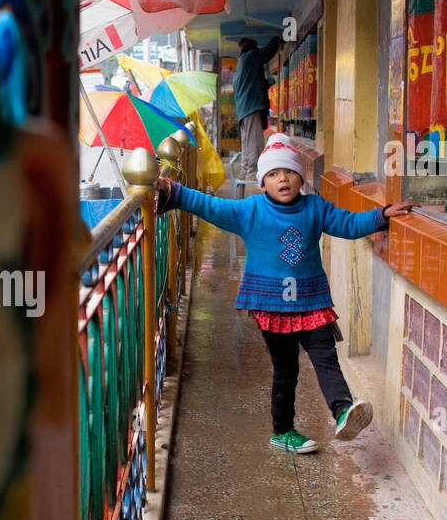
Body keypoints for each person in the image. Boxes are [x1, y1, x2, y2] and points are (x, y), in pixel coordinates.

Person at [158, 133, 417, 453]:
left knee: (326, 358)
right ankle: (282, 431)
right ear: (262, 183)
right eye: (273, 174)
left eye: (290, 172)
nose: (283, 179)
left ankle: (343, 411)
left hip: (312, 302)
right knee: (286, 371)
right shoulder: (249, 210)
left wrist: (382, 216)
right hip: (271, 307)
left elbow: (348, 223)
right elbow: (210, 205)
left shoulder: (315, 207)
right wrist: (173, 192)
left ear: (301, 178)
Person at [234, 35, 280, 186]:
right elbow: (268, 52)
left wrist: (266, 83)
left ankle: (245, 170)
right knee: (255, 141)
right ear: (253, 48)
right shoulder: (251, 57)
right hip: (251, 106)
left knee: (247, 142)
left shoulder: (241, 63)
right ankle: (253, 172)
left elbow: (252, 84)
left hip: (243, 109)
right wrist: (277, 38)